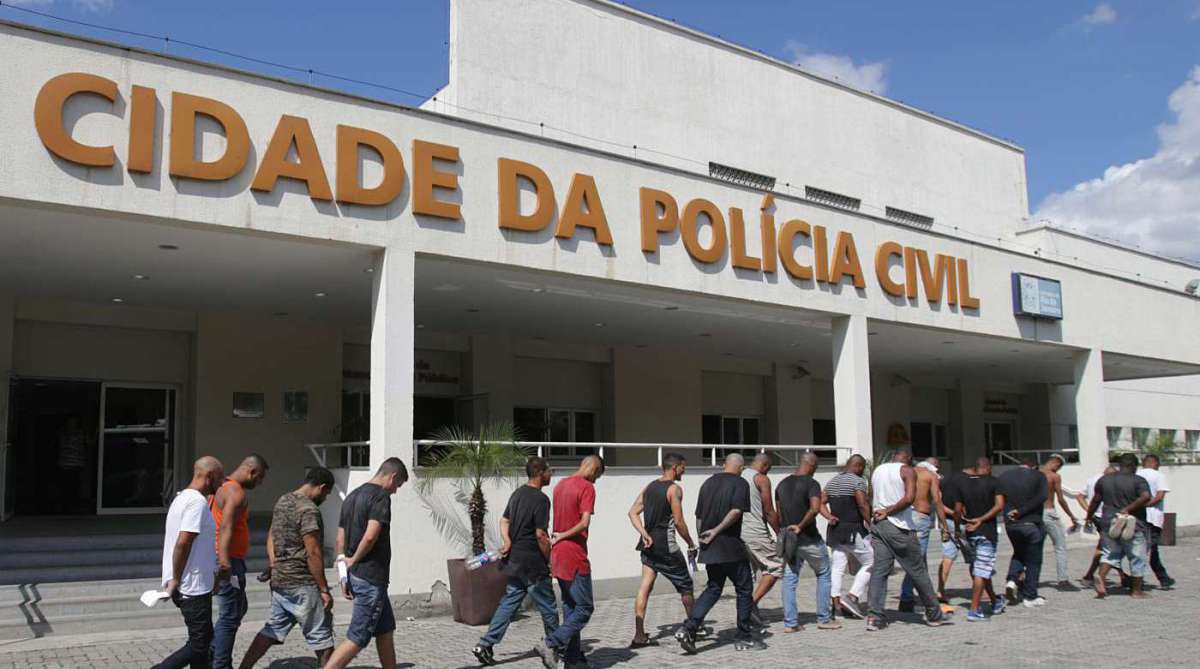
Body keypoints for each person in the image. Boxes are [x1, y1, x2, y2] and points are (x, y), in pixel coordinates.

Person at [238, 467, 336, 669]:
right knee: (323, 640)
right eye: (326, 494)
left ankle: (243, 668)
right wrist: (324, 589)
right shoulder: (308, 510)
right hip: (303, 583)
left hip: (280, 581)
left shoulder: (282, 501)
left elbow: (271, 536)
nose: (325, 498)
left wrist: (275, 565)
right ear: (322, 487)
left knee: (272, 629)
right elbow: (313, 552)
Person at [324, 457, 409, 669]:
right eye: (397, 485)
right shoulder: (380, 497)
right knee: (358, 637)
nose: (395, 491)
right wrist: (355, 560)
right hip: (371, 578)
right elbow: (371, 536)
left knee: (385, 629)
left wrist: (344, 573)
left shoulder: (351, 496)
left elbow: (339, 540)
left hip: (359, 577)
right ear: (393, 476)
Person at [674, 454, 765, 653]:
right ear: (741, 468)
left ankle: (688, 628)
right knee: (744, 589)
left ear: (725, 465)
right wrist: (716, 531)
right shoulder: (740, 483)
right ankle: (743, 636)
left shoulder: (707, 483)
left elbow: (698, 516)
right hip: (730, 546)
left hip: (710, 547)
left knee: (714, 588)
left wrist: (702, 538)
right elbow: (736, 511)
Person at [473, 457, 558, 666]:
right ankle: (556, 646)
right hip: (532, 563)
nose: (551, 475)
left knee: (509, 604)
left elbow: (504, 520)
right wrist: (550, 558)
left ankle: (485, 644)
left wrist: (507, 540)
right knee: (548, 607)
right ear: (540, 473)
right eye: (549, 471)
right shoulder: (541, 500)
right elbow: (540, 534)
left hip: (515, 561)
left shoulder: (517, 494)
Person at [153, 456, 224, 669]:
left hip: (192, 583)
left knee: (202, 640)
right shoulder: (197, 502)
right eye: (219, 479)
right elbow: (183, 542)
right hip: (191, 587)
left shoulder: (182, 498)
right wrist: (175, 579)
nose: (221, 485)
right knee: (199, 643)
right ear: (209, 476)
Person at [865, 448, 947, 631]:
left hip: (879, 525)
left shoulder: (878, 470)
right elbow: (910, 498)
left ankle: (874, 617)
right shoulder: (907, 470)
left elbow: (871, 496)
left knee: (880, 571)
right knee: (918, 570)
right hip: (899, 526)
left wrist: (878, 513)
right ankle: (934, 613)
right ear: (909, 460)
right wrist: (889, 511)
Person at [536, 455, 605, 669]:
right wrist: (565, 535)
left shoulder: (560, 485)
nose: (595, 481)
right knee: (585, 608)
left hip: (558, 555)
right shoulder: (586, 487)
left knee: (570, 607)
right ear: (593, 469)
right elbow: (584, 523)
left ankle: (573, 660)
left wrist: (558, 538)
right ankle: (550, 643)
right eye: (597, 476)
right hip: (574, 554)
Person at [627, 452, 697, 648]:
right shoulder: (674, 489)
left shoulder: (650, 487)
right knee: (686, 586)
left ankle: (639, 635)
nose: (685, 470)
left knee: (645, 587)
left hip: (648, 546)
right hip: (666, 547)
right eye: (683, 467)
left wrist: (643, 533)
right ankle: (692, 630)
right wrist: (691, 543)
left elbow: (632, 512)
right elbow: (680, 522)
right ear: (675, 467)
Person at [210, 454, 270, 669]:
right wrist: (224, 563)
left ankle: (212, 653)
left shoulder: (223, 486)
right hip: (230, 563)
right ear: (251, 471)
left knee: (238, 607)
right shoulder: (235, 492)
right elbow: (225, 526)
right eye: (260, 478)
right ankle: (220, 664)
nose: (259, 483)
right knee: (229, 615)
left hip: (229, 561)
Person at [776, 452, 839, 632]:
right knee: (824, 573)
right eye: (816, 467)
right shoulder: (811, 483)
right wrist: (800, 526)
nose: (816, 470)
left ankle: (790, 623)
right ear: (811, 465)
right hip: (809, 538)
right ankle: (824, 619)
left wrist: (784, 531)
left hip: (790, 541)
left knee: (789, 578)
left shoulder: (781, 484)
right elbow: (814, 508)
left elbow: (778, 511)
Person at [1086, 453, 1152, 599]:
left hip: (1109, 522)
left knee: (1110, 553)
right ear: (1134, 466)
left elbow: (1096, 500)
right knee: (1137, 556)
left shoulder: (1104, 480)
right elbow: (1146, 496)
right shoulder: (1138, 480)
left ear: (1120, 465)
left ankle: (1101, 577)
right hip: (1132, 523)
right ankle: (1136, 591)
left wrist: (1088, 516)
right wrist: (1129, 508)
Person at [823, 454, 873, 619]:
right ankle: (852, 596)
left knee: (837, 567)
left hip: (836, 530)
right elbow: (861, 503)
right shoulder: (858, 482)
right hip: (853, 530)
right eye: (863, 468)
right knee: (872, 562)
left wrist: (829, 516)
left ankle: (835, 603)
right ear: (858, 466)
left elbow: (819, 502)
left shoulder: (833, 481)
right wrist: (870, 523)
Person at [956, 457, 1005, 622]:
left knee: (983, 568)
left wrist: (961, 525)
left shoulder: (964, 484)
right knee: (981, 571)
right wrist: (981, 520)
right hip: (986, 532)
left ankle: (995, 601)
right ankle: (974, 609)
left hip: (970, 533)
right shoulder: (994, 482)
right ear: (988, 468)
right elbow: (999, 506)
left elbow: (958, 509)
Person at [899, 457, 948, 612]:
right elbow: (938, 502)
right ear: (933, 466)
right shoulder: (930, 476)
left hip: (905, 516)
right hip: (920, 517)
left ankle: (926, 595)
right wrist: (944, 526)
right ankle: (907, 597)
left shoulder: (906, 473)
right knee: (917, 560)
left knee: (921, 559)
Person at [999, 457, 1048, 608]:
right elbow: (1042, 497)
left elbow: (999, 500)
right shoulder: (1039, 476)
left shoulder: (1004, 477)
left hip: (1011, 525)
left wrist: (1009, 514)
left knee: (1019, 552)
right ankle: (1030, 596)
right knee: (1034, 560)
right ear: (1034, 466)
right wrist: (1021, 511)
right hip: (1031, 523)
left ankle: (1012, 581)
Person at [741, 453, 782, 628]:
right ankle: (749, 605)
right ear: (764, 465)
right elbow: (768, 510)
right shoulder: (761, 479)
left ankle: (750, 614)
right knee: (776, 565)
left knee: (750, 573)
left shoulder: (739, 475)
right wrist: (779, 532)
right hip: (755, 531)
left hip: (738, 533)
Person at [1040, 454, 1080, 588]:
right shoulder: (1054, 476)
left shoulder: (1034, 474)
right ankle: (1063, 579)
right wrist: (1071, 516)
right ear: (1055, 463)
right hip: (1049, 512)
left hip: (1035, 513)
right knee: (1060, 546)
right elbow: (1061, 499)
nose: (1058, 470)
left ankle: (1023, 578)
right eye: (1059, 467)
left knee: (1034, 547)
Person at [1136, 454, 1175, 588]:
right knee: (1152, 549)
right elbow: (1159, 496)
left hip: (1138, 517)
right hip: (1153, 518)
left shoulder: (1137, 474)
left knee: (1139, 548)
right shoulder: (1159, 476)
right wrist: (1147, 505)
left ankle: (1162, 578)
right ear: (1156, 464)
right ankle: (1161, 579)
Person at [1076, 464, 1118, 584]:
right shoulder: (1109, 482)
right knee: (1108, 547)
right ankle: (1092, 575)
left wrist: (1089, 512)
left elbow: (1080, 496)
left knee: (1107, 546)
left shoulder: (1092, 480)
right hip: (1107, 517)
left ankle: (1092, 575)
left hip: (1097, 516)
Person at [937, 461, 971, 603]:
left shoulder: (944, 481)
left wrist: (950, 513)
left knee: (948, 556)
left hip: (947, 523)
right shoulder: (968, 481)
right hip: (962, 523)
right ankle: (983, 590)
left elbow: (939, 503)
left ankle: (940, 590)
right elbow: (962, 506)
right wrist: (961, 516)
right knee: (975, 558)